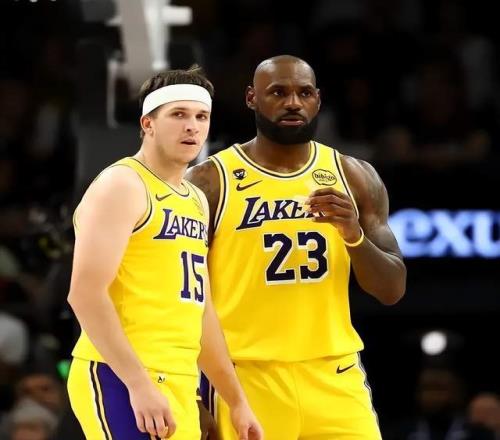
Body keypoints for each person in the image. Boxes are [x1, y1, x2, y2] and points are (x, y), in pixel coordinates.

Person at [186, 55, 407, 439]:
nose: (293, 102)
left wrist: (353, 234)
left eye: (304, 93)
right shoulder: (209, 181)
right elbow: (180, 293)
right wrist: (191, 392)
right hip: (245, 376)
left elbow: (392, 289)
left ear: (317, 100)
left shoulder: (354, 175)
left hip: (333, 373)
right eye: (278, 92)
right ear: (252, 98)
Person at [66, 66, 262, 440]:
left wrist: (236, 400)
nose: (192, 127)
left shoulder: (195, 200)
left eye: (201, 116)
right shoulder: (123, 184)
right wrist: (138, 384)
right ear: (148, 123)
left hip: (180, 380)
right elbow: (85, 294)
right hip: (121, 375)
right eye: (178, 114)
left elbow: (201, 309)